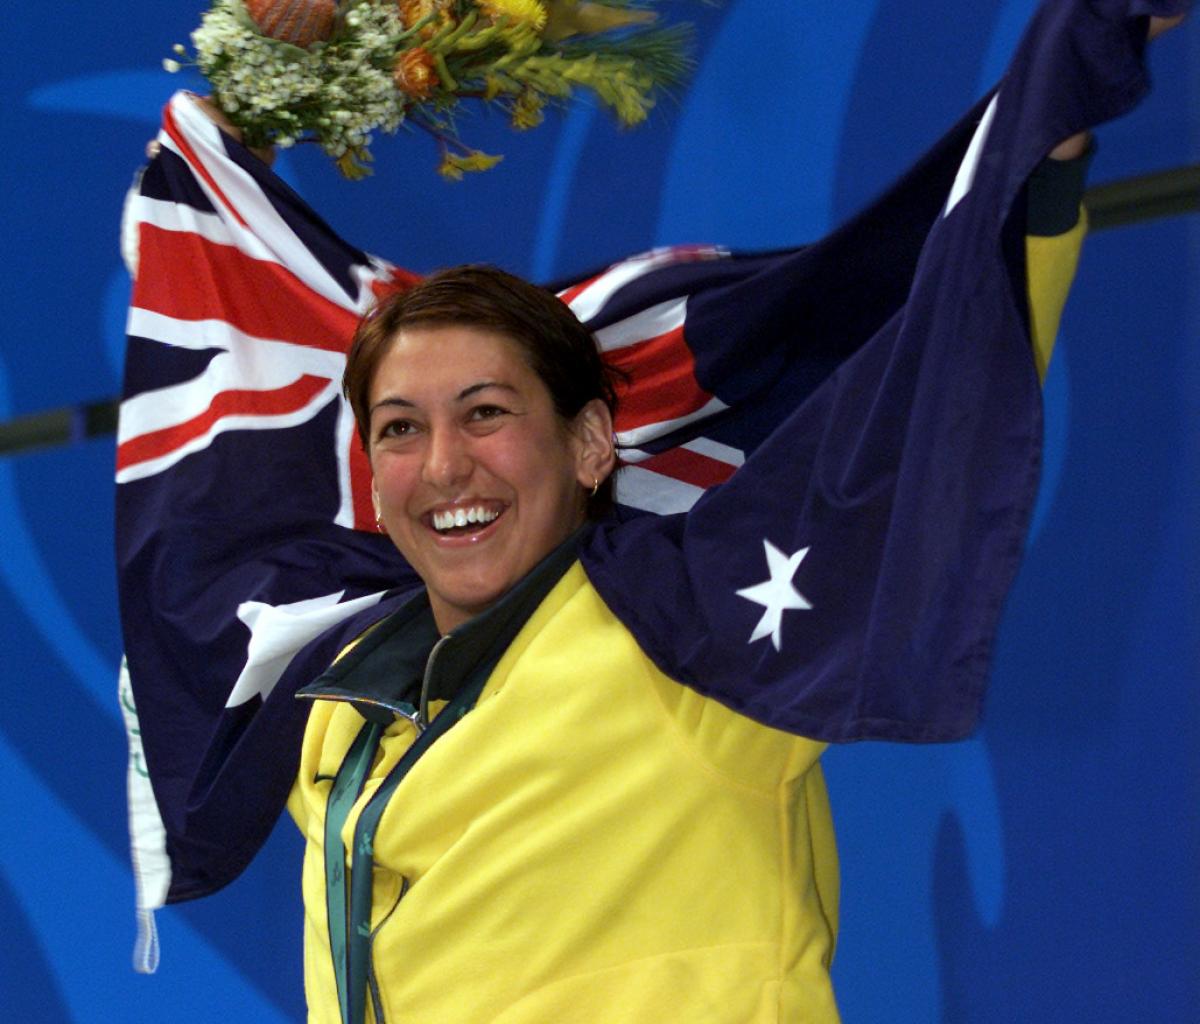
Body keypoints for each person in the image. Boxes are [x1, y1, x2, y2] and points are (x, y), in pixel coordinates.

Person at [117, 2, 1186, 1021]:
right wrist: (262, 91)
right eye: (400, 428)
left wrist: (1051, 122)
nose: (444, 465)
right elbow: (203, 389)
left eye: (485, 413)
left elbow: (927, 395)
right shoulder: (336, 692)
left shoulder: (683, 633)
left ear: (589, 444)